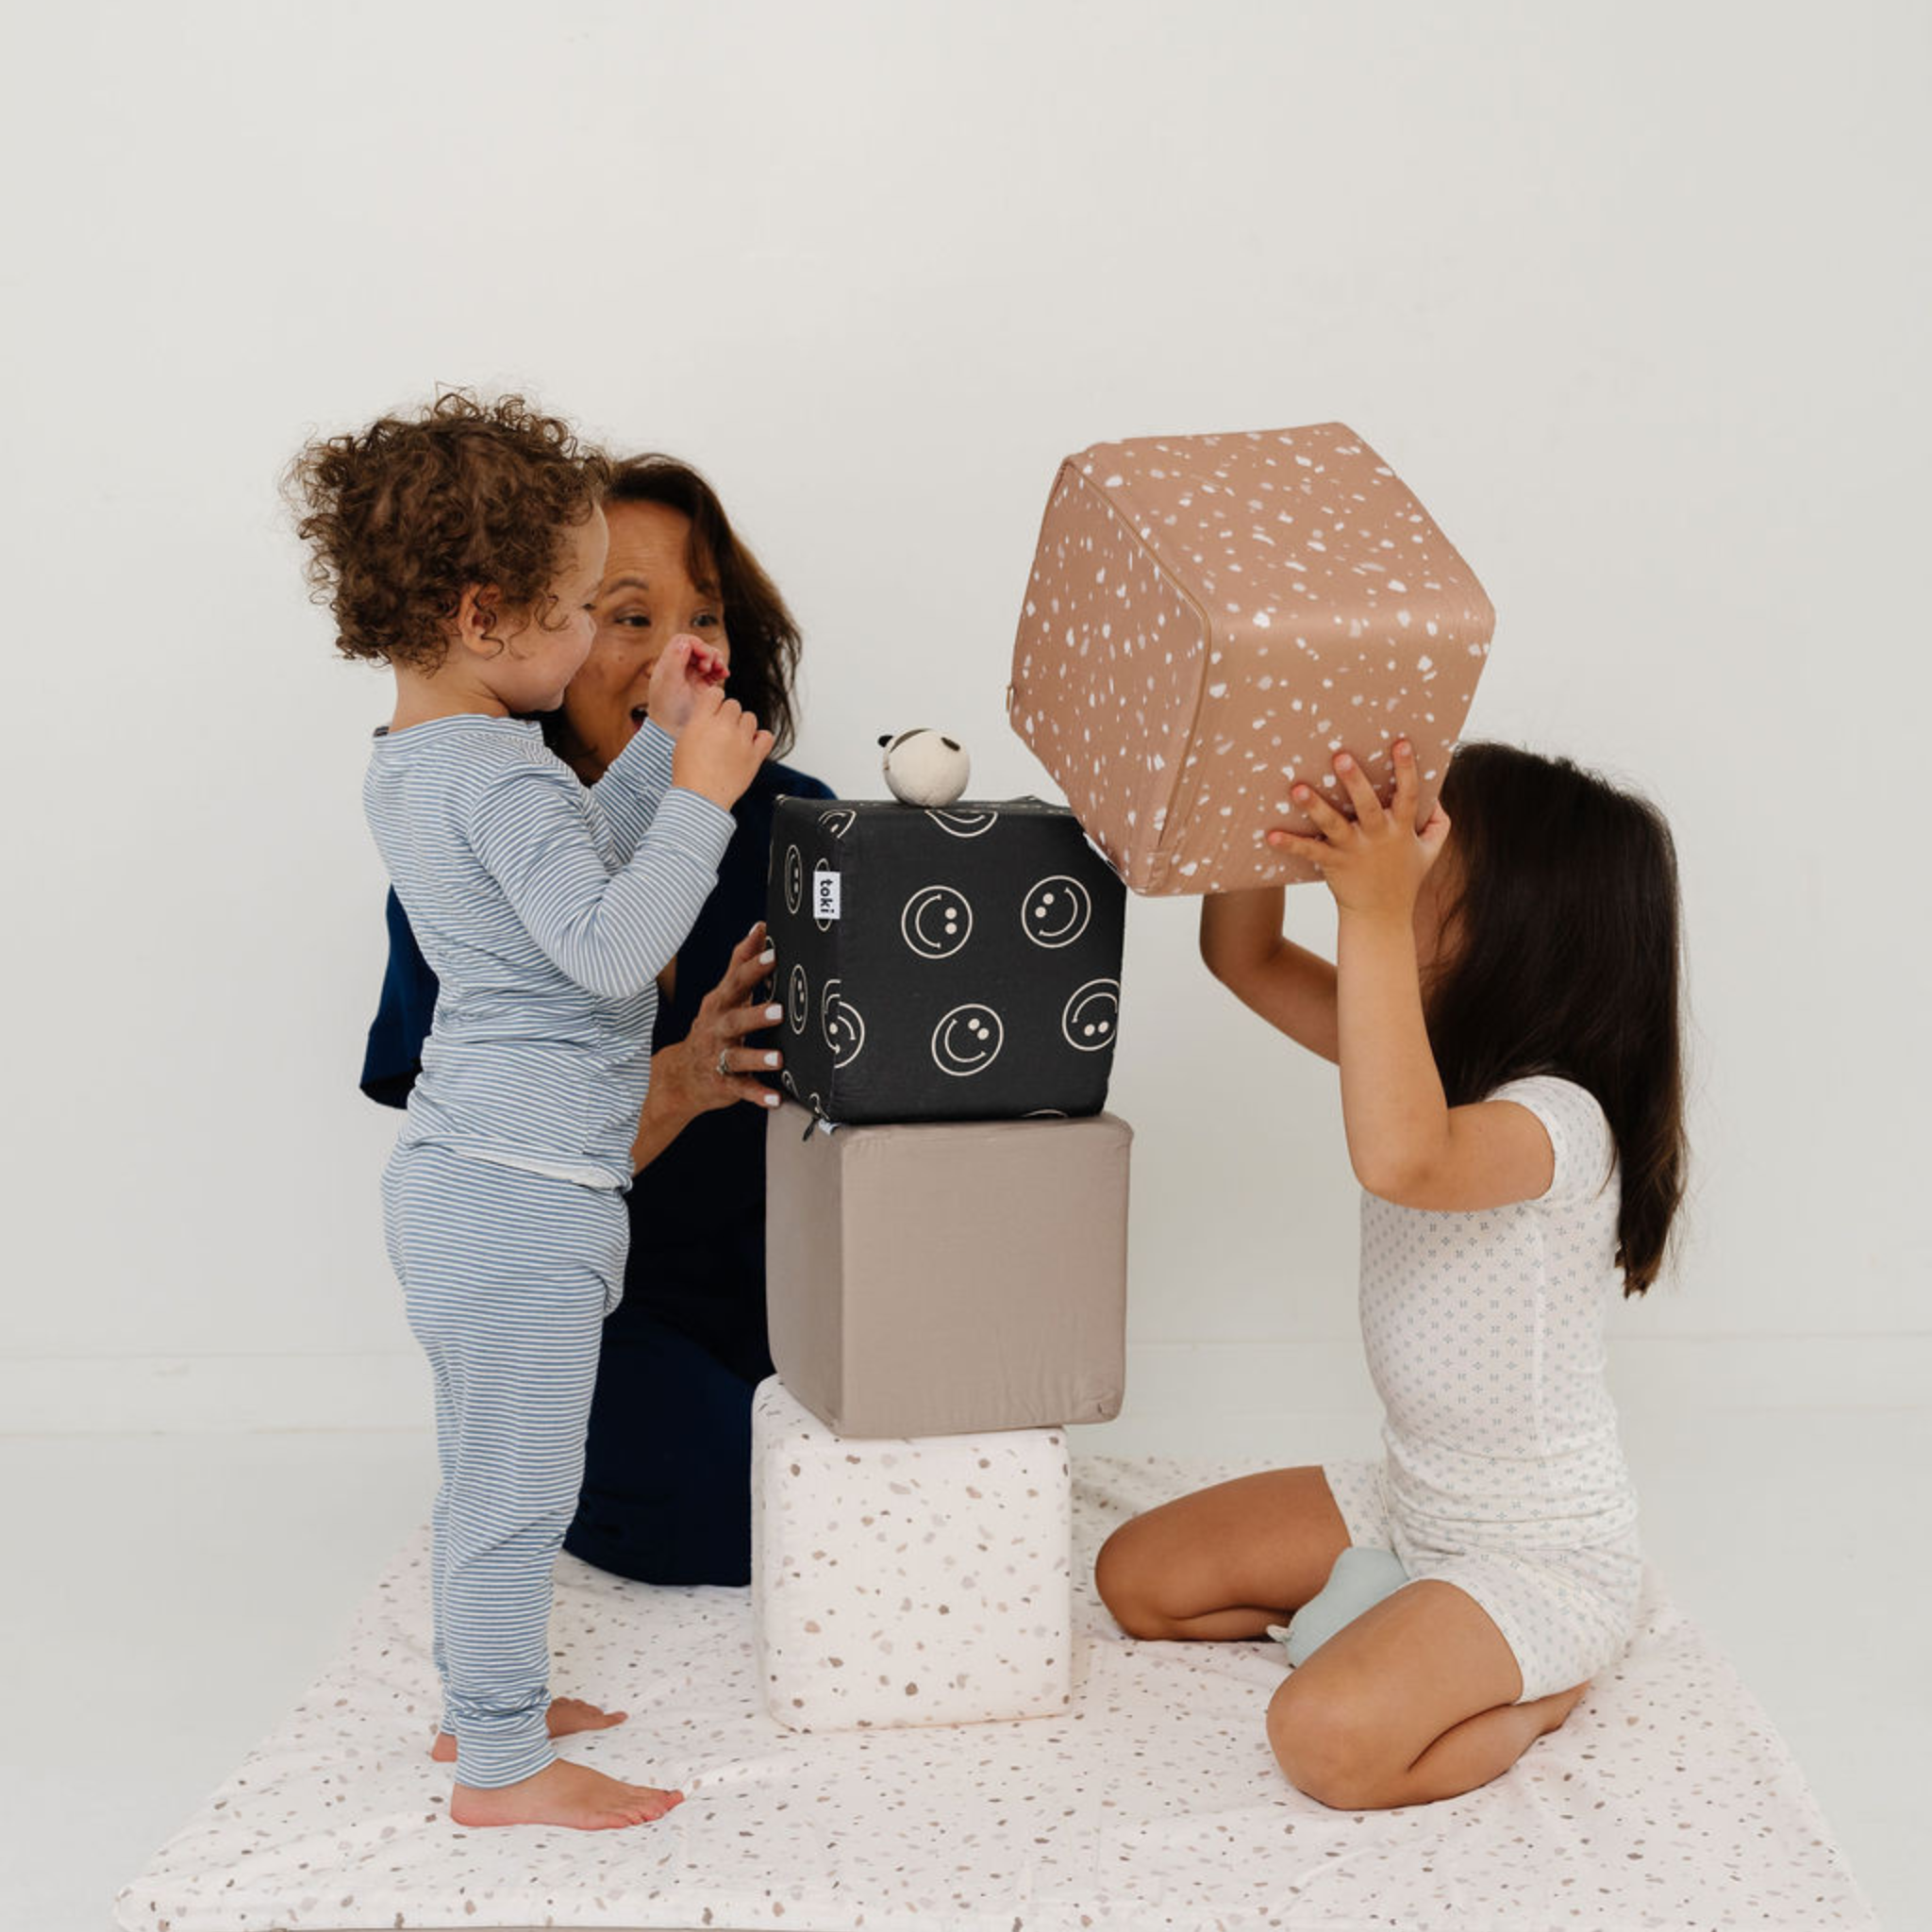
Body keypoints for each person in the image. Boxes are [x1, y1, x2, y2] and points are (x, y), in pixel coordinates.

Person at [292, 391, 774, 1831]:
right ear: (487, 613)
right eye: (580, 609)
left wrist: (652, 748)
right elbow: (616, 947)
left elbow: (572, 865)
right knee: (517, 1490)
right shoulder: (499, 782)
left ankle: (478, 1698)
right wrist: (700, 795)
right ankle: (503, 1764)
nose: (590, 641)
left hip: (473, 1180)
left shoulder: (432, 765)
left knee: (485, 1465)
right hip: (519, 1194)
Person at [1094, 735, 1687, 1809]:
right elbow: (1245, 958)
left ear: (1507, 935)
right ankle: (1403, 1608)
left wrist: (1365, 913)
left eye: (1417, 878)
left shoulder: (1560, 1121)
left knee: (1322, 1738)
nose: (1385, 884)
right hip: (1412, 1505)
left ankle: (1540, 1692)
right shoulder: (1426, 1065)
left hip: (1538, 1558)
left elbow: (1402, 1157)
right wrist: (1262, 801)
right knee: (1134, 1578)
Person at [361, 455, 834, 1589]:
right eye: (616, 614)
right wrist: (685, 1074)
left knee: (878, 1483)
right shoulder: (481, 837)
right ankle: (495, 1718)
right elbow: (498, 1144)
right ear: (516, 627)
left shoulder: (799, 829)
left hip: (794, 1296)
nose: (687, 649)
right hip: (602, 1302)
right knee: (735, 1511)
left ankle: (492, 1693)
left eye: (705, 613)